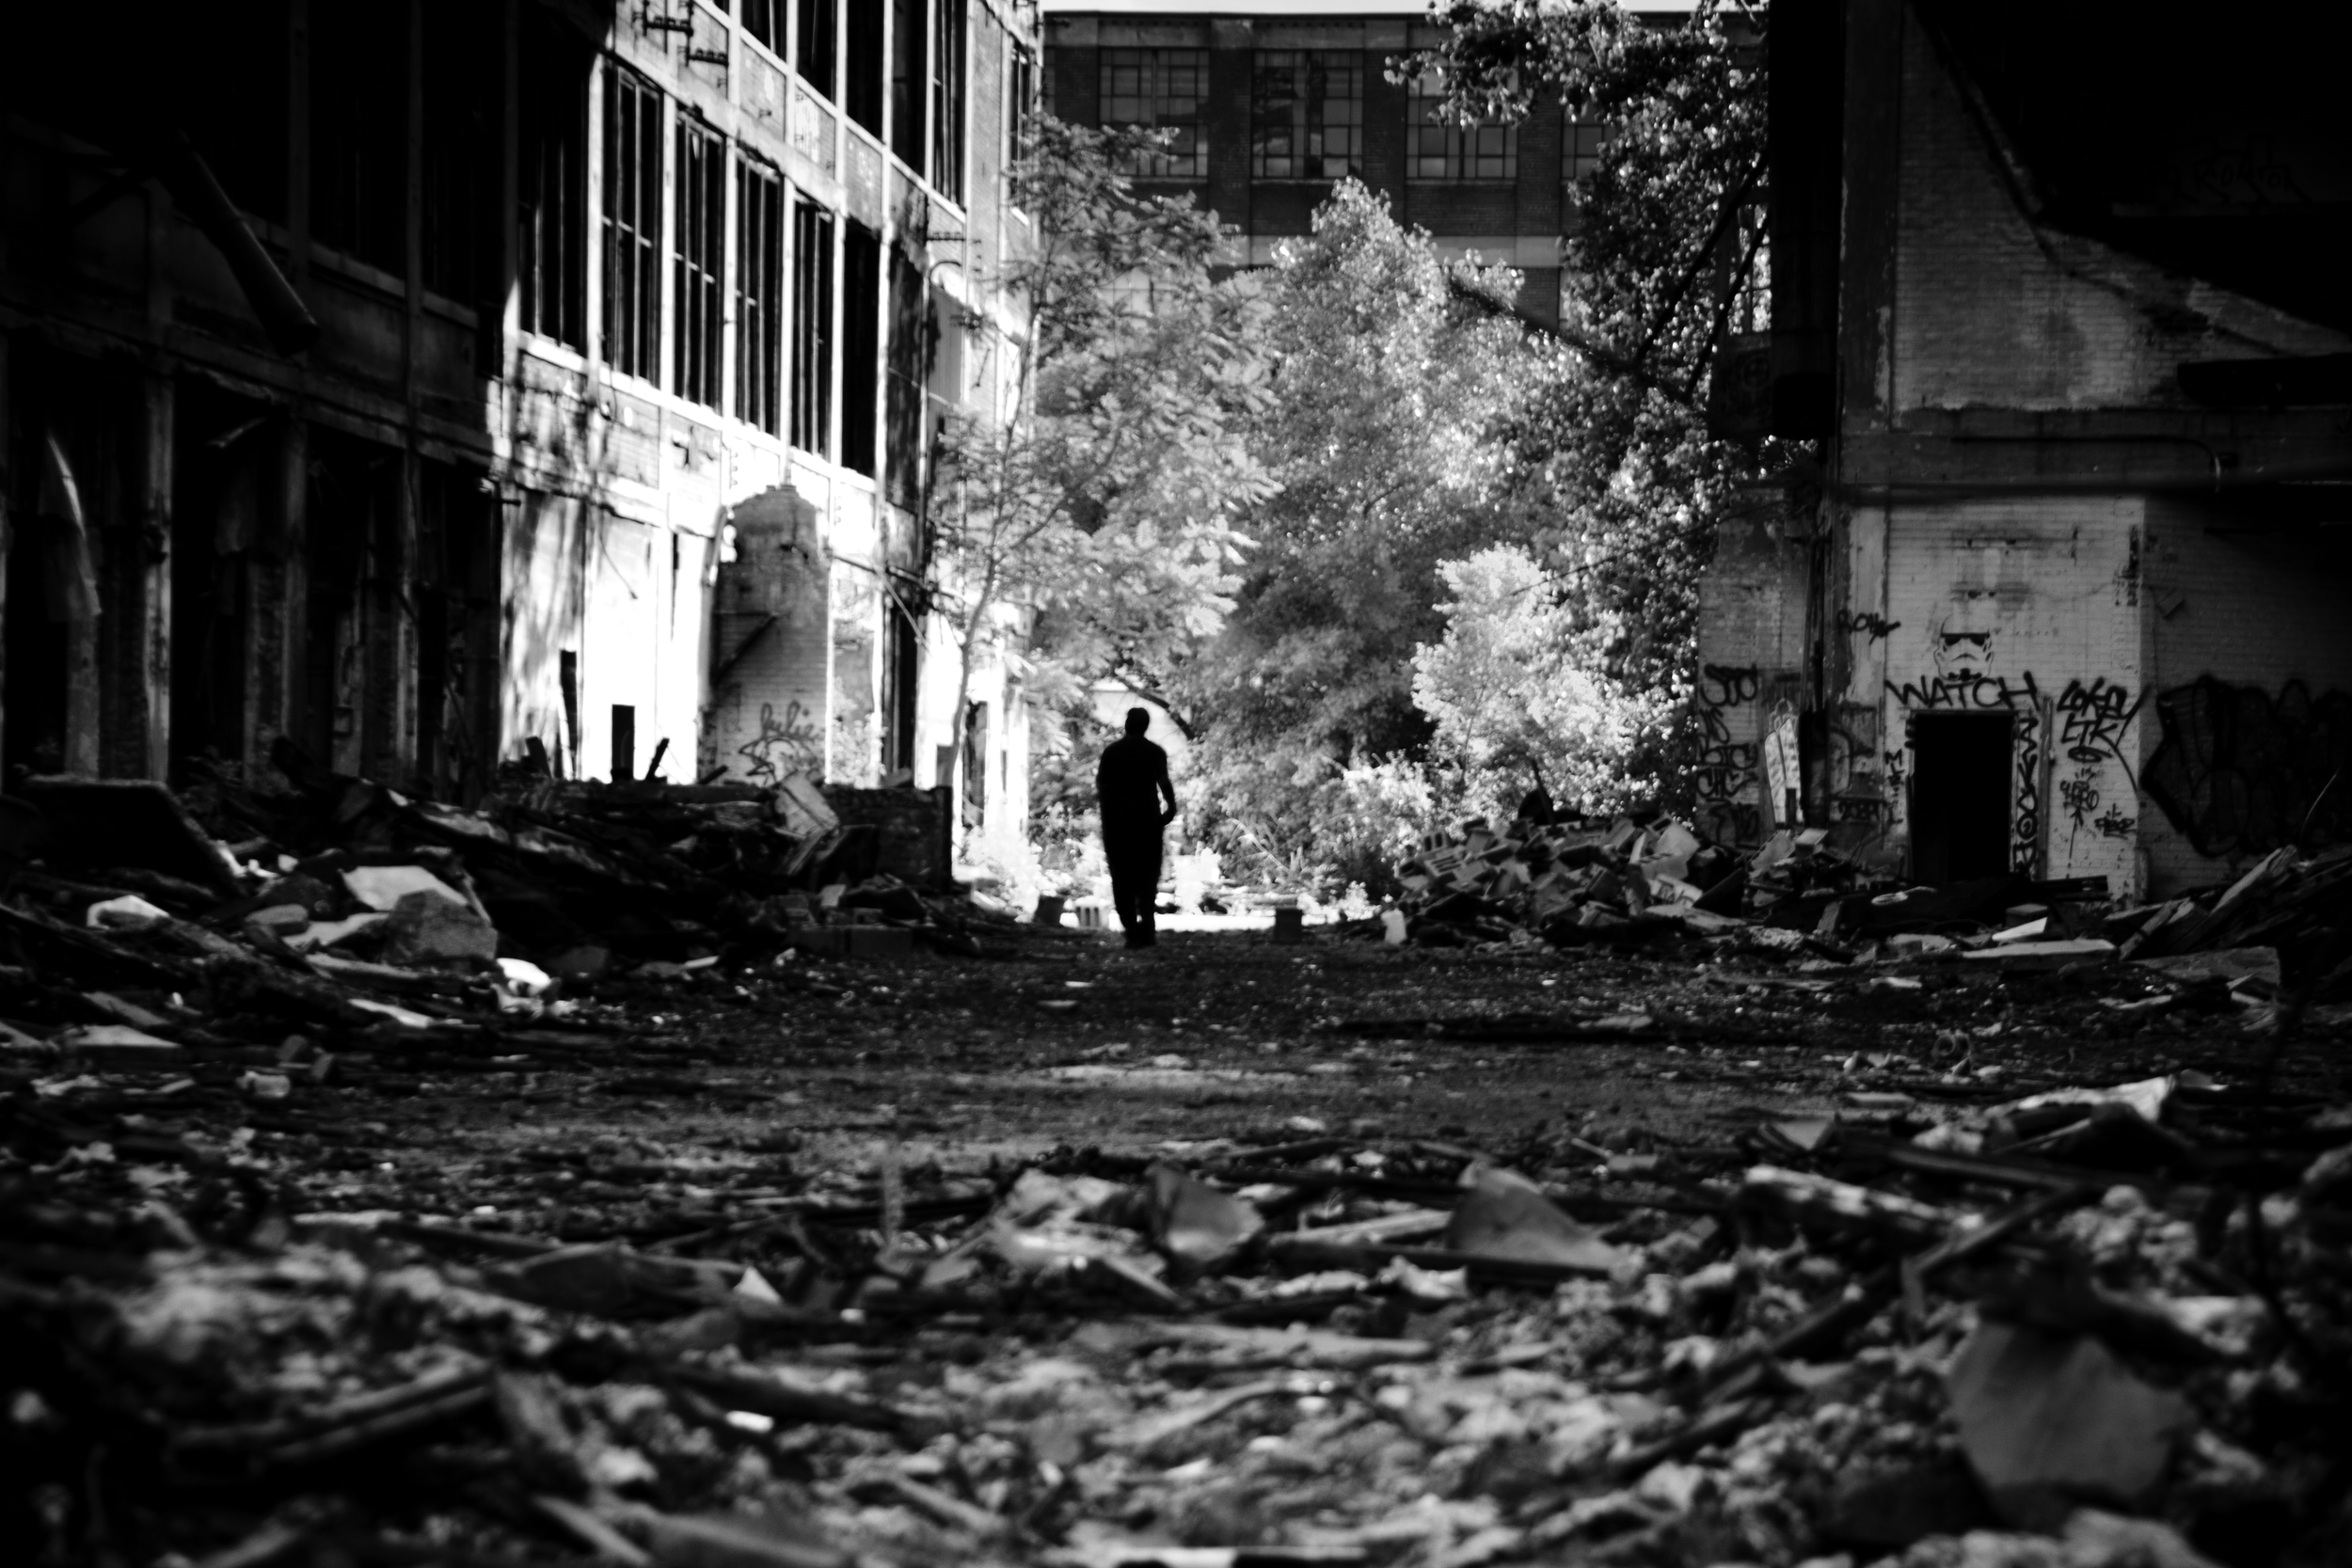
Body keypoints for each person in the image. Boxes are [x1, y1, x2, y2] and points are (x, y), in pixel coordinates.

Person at [1096, 707, 1177, 948]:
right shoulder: (1155, 752)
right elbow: (1164, 783)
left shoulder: (1112, 752)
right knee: (1147, 877)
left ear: (1127, 724)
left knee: (1122, 878)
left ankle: (1132, 930)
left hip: (1119, 826)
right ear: (1146, 725)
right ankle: (1148, 929)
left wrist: (1108, 822)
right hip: (1147, 824)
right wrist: (1170, 810)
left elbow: (1103, 790)